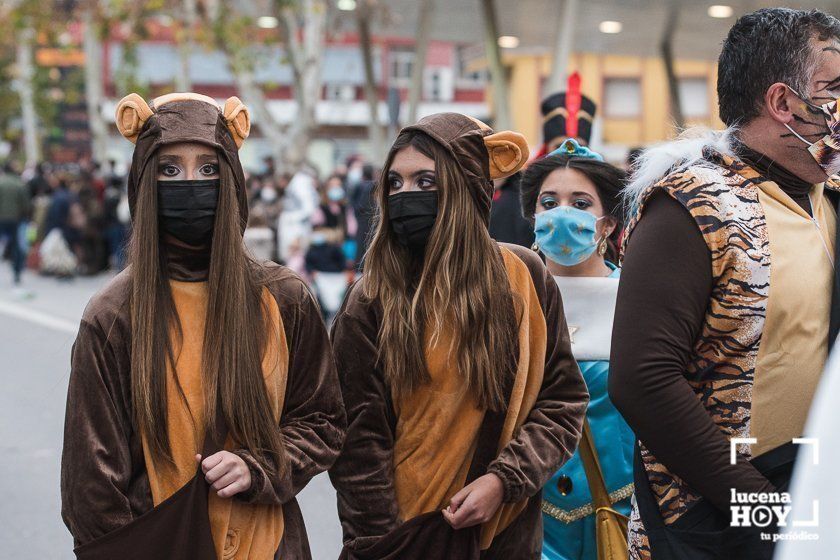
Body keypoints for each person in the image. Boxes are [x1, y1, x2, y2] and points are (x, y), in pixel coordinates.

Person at [61, 92, 346, 559]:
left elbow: (324, 421)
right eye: (169, 169)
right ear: (143, 181)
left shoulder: (284, 297)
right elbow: (90, 487)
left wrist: (261, 466)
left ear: (232, 180)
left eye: (209, 169)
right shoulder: (112, 315)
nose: (190, 183)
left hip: (269, 545)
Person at [610, 8, 840, 560]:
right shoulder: (691, 204)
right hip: (716, 514)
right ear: (783, 103)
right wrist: (760, 508)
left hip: (814, 490)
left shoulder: (826, 194)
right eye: (833, 89)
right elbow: (642, 379)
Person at [329, 113, 589, 559]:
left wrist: (503, 480)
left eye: (425, 182)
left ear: (466, 188)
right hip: (401, 538)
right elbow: (358, 446)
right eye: (395, 183)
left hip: (503, 532)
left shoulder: (525, 278)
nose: (405, 195)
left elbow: (561, 402)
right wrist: (386, 543)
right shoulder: (370, 299)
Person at [519, 139, 633, 560]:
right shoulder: (510, 301)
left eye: (581, 203)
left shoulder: (638, 301)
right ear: (533, 217)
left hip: (619, 510)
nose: (562, 214)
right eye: (549, 202)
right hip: (525, 512)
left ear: (607, 224)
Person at [0, 162, 30, 290]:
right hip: (16, 220)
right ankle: (17, 272)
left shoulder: (1, 183)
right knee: (16, 245)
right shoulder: (20, 184)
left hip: (1, 219)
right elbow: (26, 204)